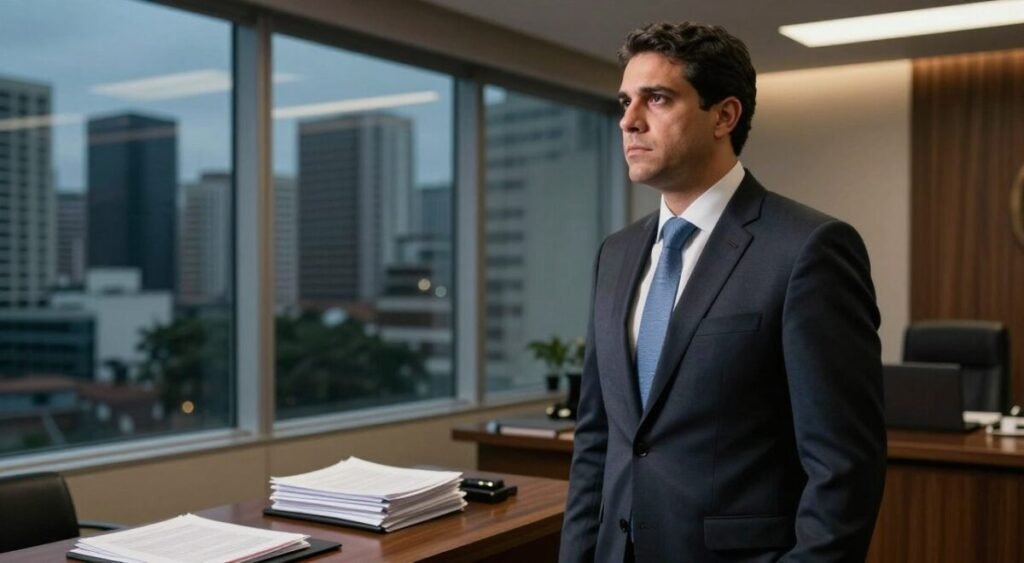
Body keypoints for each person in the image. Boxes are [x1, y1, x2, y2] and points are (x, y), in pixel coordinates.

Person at [559, 22, 886, 563]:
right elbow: (597, 440)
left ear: (724, 116)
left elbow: (845, 468)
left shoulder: (809, 249)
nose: (628, 120)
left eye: (656, 99)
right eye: (624, 101)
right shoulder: (614, 255)